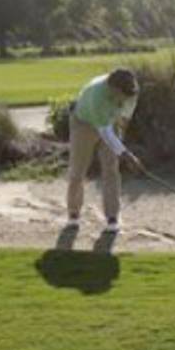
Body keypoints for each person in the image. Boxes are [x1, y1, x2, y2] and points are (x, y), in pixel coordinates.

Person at [66, 68, 145, 232]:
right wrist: (126, 154)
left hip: (110, 123)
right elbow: (105, 133)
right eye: (122, 96)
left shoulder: (131, 90)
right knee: (78, 171)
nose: (125, 100)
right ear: (114, 89)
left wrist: (121, 145)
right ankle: (73, 214)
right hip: (84, 124)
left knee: (111, 169)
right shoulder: (97, 95)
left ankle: (112, 217)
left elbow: (124, 118)